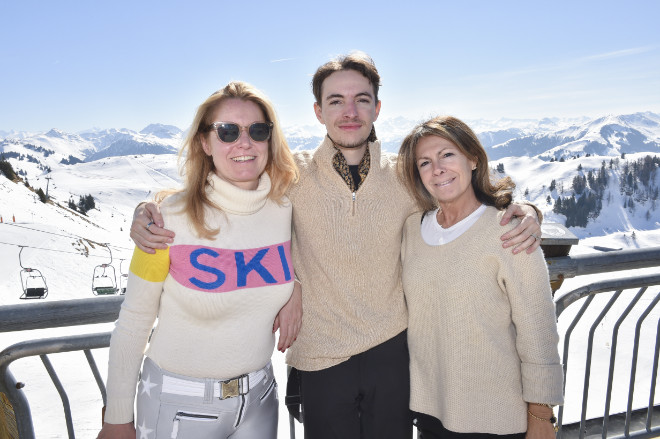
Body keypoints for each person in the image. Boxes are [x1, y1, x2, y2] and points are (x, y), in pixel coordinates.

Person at [130, 52, 544, 439]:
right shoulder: (292, 175)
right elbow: (227, 189)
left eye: (362, 100)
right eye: (336, 101)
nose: (350, 112)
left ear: (377, 108)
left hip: (392, 353)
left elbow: (459, 199)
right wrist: (153, 206)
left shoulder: (404, 178)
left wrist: (525, 210)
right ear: (318, 112)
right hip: (321, 356)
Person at [98, 81, 299, 439]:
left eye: (257, 130)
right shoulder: (166, 220)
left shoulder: (284, 208)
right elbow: (134, 321)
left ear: (270, 138)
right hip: (178, 404)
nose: (244, 142)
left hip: (260, 398)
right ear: (205, 142)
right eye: (227, 131)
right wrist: (116, 418)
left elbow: (312, 258)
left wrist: (296, 287)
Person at [397, 115, 563, 439]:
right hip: (430, 413)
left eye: (447, 154)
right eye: (425, 162)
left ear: (472, 159)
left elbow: (538, 329)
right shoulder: (411, 229)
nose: (438, 169)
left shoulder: (507, 231)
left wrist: (542, 415)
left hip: (495, 418)